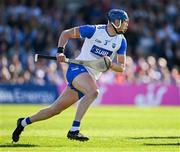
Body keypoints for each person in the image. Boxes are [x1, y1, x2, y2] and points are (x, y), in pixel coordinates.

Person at [12, 9, 129, 142]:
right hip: (77, 68)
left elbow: (121, 68)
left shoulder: (121, 41)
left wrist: (110, 64)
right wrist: (60, 52)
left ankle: (23, 123)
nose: (126, 25)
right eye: (123, 22)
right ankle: (74, 130)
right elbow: (65, 34)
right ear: (115, 21)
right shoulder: (94, 30)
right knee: (93, 92)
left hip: (90, 77)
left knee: (54, 110)